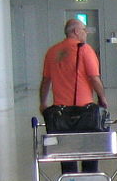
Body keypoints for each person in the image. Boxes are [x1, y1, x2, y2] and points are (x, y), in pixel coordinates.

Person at [39, 17, 109, 173]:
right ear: (76, 31)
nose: (86, 34)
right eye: (84, 30)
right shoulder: (84, 49)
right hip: (84, 111)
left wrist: (43, 103)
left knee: (66, 152)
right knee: (89, 151)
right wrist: (102, 98)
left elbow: (46, 81)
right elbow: (94, 78)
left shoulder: (52, 52)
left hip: (60, 113)